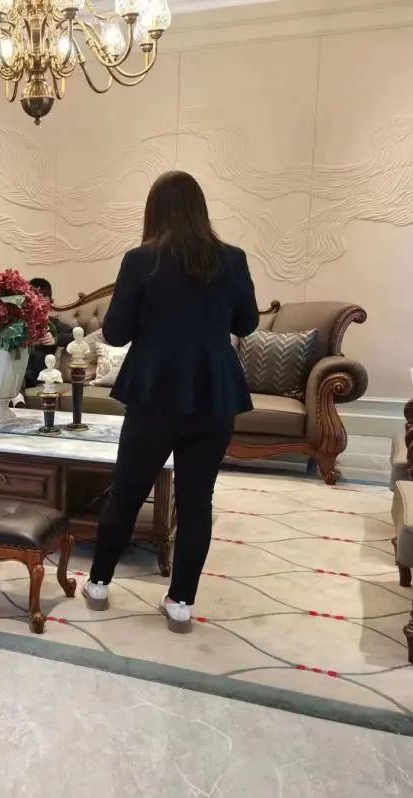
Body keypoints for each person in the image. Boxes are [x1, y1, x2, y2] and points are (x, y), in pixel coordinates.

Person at [81, 170, 259, 634]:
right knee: (197, 501)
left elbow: (115, 332)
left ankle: (98, 585)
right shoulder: (233, 258)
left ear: (154, 212)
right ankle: (181, 603)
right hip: (214, 394)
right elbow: (247, 324)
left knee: (126, 491)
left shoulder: (141, 260)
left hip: (154, 392)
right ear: (200, 210)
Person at [24, 277, 74, 390]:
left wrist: (55, 339)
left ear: (50, 303)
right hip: (19, 367)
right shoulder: (21, 322)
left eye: (44, 301)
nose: (40, 306)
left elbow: (74, 335)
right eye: (36, 301)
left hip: (36, 374)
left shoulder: (53, 323)